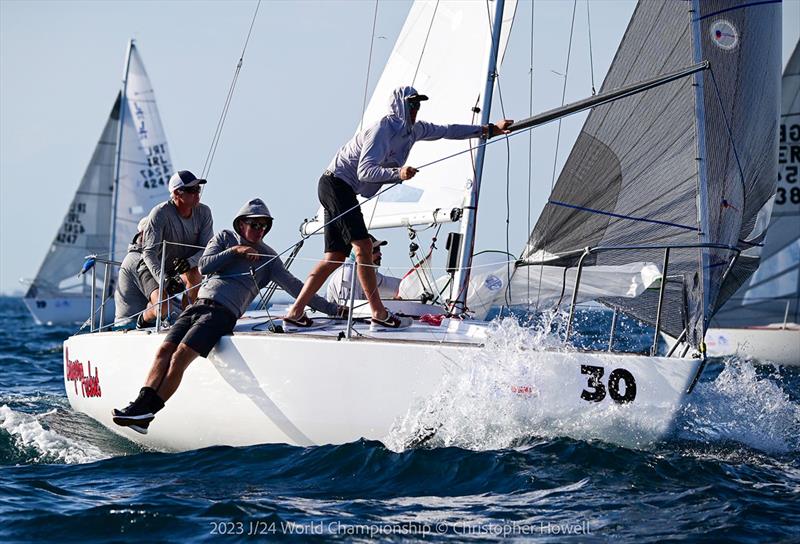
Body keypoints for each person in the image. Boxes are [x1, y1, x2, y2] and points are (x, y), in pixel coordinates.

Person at [284, 86, 512, 330]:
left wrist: (489, 130)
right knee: (362, 247)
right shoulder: (383, 129)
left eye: (417, 105)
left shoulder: (415, 130)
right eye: (411, 104)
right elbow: (365, 170)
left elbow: (448, 131)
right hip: (336, 183)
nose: (415, 109)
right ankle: (379, 313)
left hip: (340, 187)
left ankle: (295, 311)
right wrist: (398, 173)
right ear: (400, 105)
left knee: (335, 257)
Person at [112, 198, 341, 434]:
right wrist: (235, 251)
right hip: (197, 305)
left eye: (264, 226)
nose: (260, 230)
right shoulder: (225, 238)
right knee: (164, 350)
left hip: (222, 313)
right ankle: (139, 408)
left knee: (181, 355)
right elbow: (204, 267)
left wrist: (333, 309)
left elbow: (296, 287)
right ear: (241, 224)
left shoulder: (268, 258)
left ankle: (147, 412)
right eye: (255, 224)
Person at [136, 170, 214, 327]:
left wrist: (190, 262)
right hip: (154, 268)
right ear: (177, 193)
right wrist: (164, 279)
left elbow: (207, 248)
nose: (197, 193)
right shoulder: (159, 213)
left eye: (198, 189)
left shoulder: (204, 212)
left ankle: (186, 320)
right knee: (162, 308)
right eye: (192, 190)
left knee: (195, 273)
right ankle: (144, 317)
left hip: (183, 267)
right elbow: (149, 254)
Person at [326, 234, 401, 304]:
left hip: (363, 316)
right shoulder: (348, 274)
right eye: (374, 250)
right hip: (342, 318)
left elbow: (400, 286)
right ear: (359, 254)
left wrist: (412, 278)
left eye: (379, 249)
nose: (380, 254)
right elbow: (350, 310)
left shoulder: (372, 275)